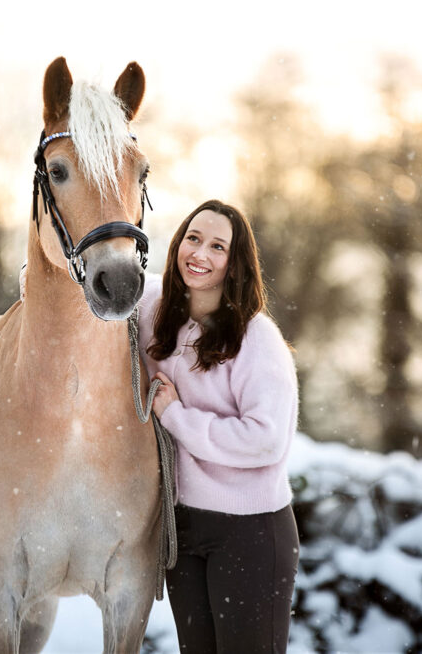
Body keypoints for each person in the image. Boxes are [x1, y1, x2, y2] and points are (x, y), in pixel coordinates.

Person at [138, 199, 299, 654]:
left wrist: (175, 417)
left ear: (235, 263)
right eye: (193, 238)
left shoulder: (255, 337)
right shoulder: (154, 310)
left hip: (249, 533)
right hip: (183, 529)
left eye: (217, 246)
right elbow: (87, 286)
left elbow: (265, 440)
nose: (200, 254)